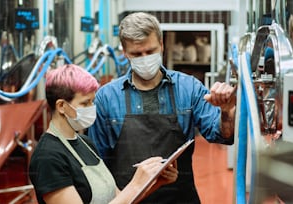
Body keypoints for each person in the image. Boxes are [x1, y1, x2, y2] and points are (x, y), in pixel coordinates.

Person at [88, 12, 236, 203]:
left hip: (181, 199)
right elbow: (98, 167)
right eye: (136, 54)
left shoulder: (188, 88)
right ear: (124, 52)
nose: (145, 58)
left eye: (150, 51)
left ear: (162, 44)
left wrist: (225, 112)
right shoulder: (107, 98)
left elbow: (222, 135)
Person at [29, 64, 178, 204]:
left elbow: (119, 199)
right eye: (85, 103)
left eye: (92, 101)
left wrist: (154, 182)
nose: (92, 108)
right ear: (61, 106)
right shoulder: (47, 157)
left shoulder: (85, 143)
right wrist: (135, 184)